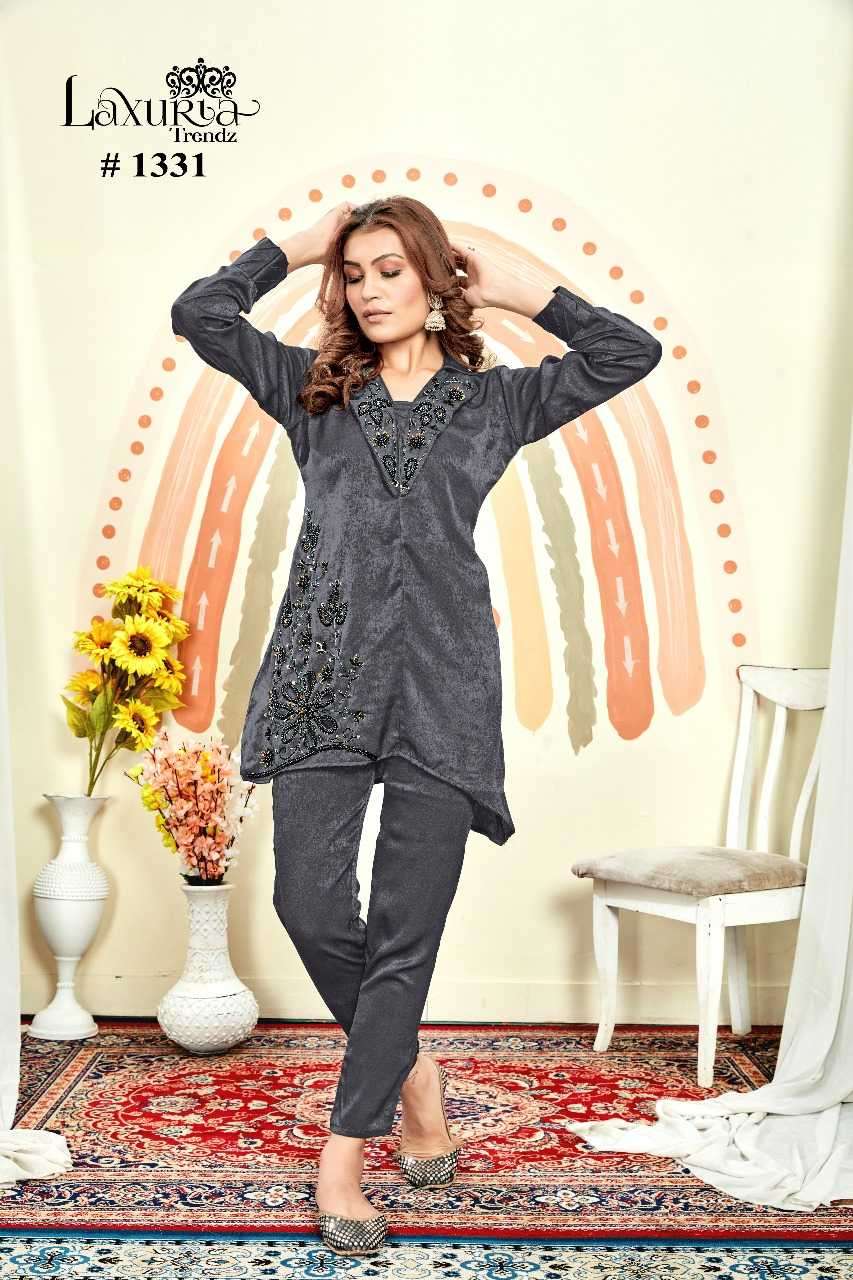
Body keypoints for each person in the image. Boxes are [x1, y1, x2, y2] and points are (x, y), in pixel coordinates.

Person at [170, 196, 663, 1254]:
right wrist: (294, 246)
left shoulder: (497, 403)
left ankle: (343, 1156)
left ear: (437, 279)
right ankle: (411, 1070)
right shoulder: (310, 390)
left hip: (443, 686)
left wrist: (528, 294)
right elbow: (199, 314)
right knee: (307, 903)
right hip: (321, 679)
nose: (368, 290)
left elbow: (629, 351)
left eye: (391, 268)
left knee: (405, 928)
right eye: (354, 273)